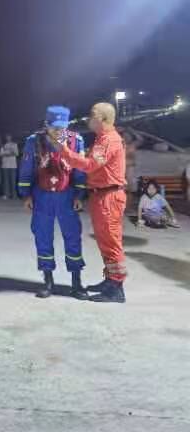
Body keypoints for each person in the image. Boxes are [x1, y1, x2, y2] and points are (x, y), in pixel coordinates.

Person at [55, 102, 127, 303]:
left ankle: (117, 289)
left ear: (103, 118)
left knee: (111, 243)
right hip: (101, 195)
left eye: (92, 114)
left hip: (108, 197)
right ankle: (111, 280)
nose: (88, 118)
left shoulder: (109, 140)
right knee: (105, 242)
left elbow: (89, 165)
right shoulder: (102, 139)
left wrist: (63, 150)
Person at [18, 107, 88, 300]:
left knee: (73, 237)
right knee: (43, 237)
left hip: (67, 196)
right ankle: (48, 281)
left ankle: (76, 282)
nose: (59, 131)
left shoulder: (75, 140)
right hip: (42, 196)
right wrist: (25, 194)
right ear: (46, 125)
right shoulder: (34, 141)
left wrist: (79, 194)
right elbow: (26, 169)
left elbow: (80, 169)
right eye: (55, 127)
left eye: (62, 127)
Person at [0, 134, 19, 200]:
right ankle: (6, 195)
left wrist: (6, 153)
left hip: (13, 165)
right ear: (5, 138)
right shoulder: (3, 145)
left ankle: (14, 195)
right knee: (6, 181)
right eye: (6, 137)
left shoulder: (14, 144)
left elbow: (16, 153)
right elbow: (0, 154)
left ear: (11, 137)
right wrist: (10, 153)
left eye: (9, 136)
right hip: (5, 165)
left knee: (13, 181)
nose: (8, 138)